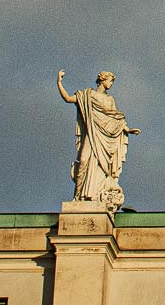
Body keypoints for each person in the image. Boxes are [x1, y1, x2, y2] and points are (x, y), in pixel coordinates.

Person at [59, 69, 139, 209]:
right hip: (92, 135)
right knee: (83, 161)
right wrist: (59, 82)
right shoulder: (87, 95)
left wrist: (127, 129)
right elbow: (68, 99)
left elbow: (116, 118)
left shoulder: (110, 100)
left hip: (105, 139)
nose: (111, 84)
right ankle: (78, 196)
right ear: (103, 80)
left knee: (102, 169)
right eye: (110, 81)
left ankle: (95, 196)